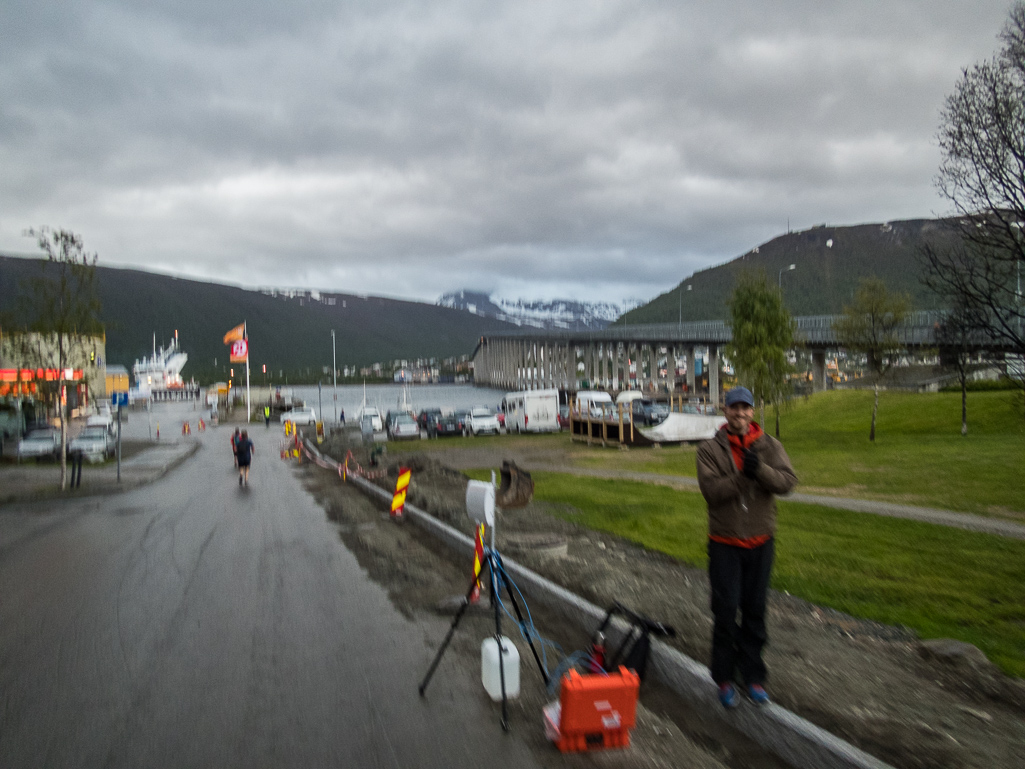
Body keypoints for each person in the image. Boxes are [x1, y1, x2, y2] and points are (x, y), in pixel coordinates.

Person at [697, 386, 797, 709]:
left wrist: (762, 470)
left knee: (755, 612)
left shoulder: (770, 446)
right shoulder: (709, 450)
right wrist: (744, 476)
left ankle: (754, 677)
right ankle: (725, 678)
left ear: (752, 412)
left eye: (745, 407)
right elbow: (712, 491)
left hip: (760, 542)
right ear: (724, 412)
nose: (739, 413)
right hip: (725, 543)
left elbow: (787, 483)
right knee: (725, 612)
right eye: (733, 407)